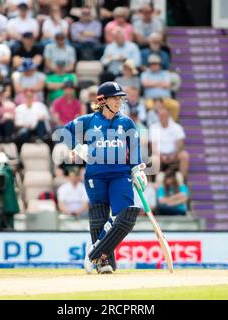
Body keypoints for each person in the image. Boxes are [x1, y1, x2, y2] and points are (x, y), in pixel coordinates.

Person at [58, 81, 146, 274]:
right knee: (99, 218)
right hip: (95, 176)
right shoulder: (89, 120)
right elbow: (64, 132)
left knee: (126, 215)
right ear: (102, 100)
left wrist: (137, 168)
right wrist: (79, 148)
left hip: (120, 175)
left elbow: (135, 146)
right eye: (115, 98)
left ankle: (93, 254)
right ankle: (103, 261)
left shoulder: (126, 122)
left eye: (120, 98)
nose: (119, 102)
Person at [149, 106, 190, 178]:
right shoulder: (153, 127)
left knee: (184, 155)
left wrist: (174, 154)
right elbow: (153, 146)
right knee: (154, 159)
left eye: (164, 115)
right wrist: (161, 156)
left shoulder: (177, 127)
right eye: (161, 116)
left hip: (175, 154)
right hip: (159, 155)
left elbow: (180, 143)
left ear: (168, 116)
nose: (162, 117)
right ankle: (158, 183)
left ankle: (182, 181)